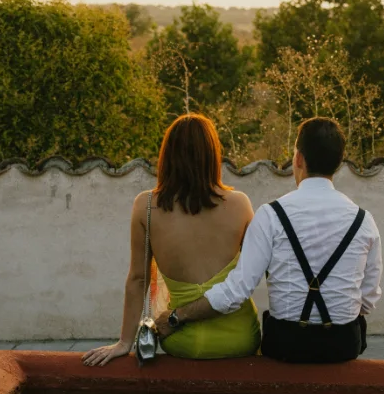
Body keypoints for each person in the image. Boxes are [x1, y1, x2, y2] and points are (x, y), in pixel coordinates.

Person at [157, 117, 382, 364]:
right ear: (338, 162)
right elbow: (368, 298)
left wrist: (177, 316)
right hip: (343, 346)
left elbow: (236, 291)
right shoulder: (364, 220)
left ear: (298, 159)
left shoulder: (271, 216)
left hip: (287, 346)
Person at [83, 113, 262, 366]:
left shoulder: (145, 206)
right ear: (213, 155)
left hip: (181, 340)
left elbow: (138, 279)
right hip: (240, 339)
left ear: (168, 155)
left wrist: (125, 342)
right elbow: (255, 274)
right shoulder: (240, 204)